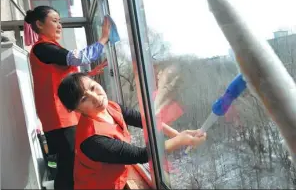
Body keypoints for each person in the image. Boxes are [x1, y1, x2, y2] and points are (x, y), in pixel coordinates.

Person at [57, 72, 207, 189]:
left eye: (92, 87)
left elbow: (145, 121)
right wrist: (180, 141)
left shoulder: (111, 107)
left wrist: (177, 134)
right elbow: (140, 155)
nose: (96, 97)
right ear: (76, 110)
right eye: (84, 99)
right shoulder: (92, 140)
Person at [24, 5, 110, 190]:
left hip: (62, 116)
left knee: (70, 164)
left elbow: (62, 77)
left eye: (60, 21)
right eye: (54, 21)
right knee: (68, 167)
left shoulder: (50, 48)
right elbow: (77, 58)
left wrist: (88, 74)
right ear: (39, 24)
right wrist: (103, 39)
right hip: (59, 118)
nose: (59, 25)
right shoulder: (43, 48)